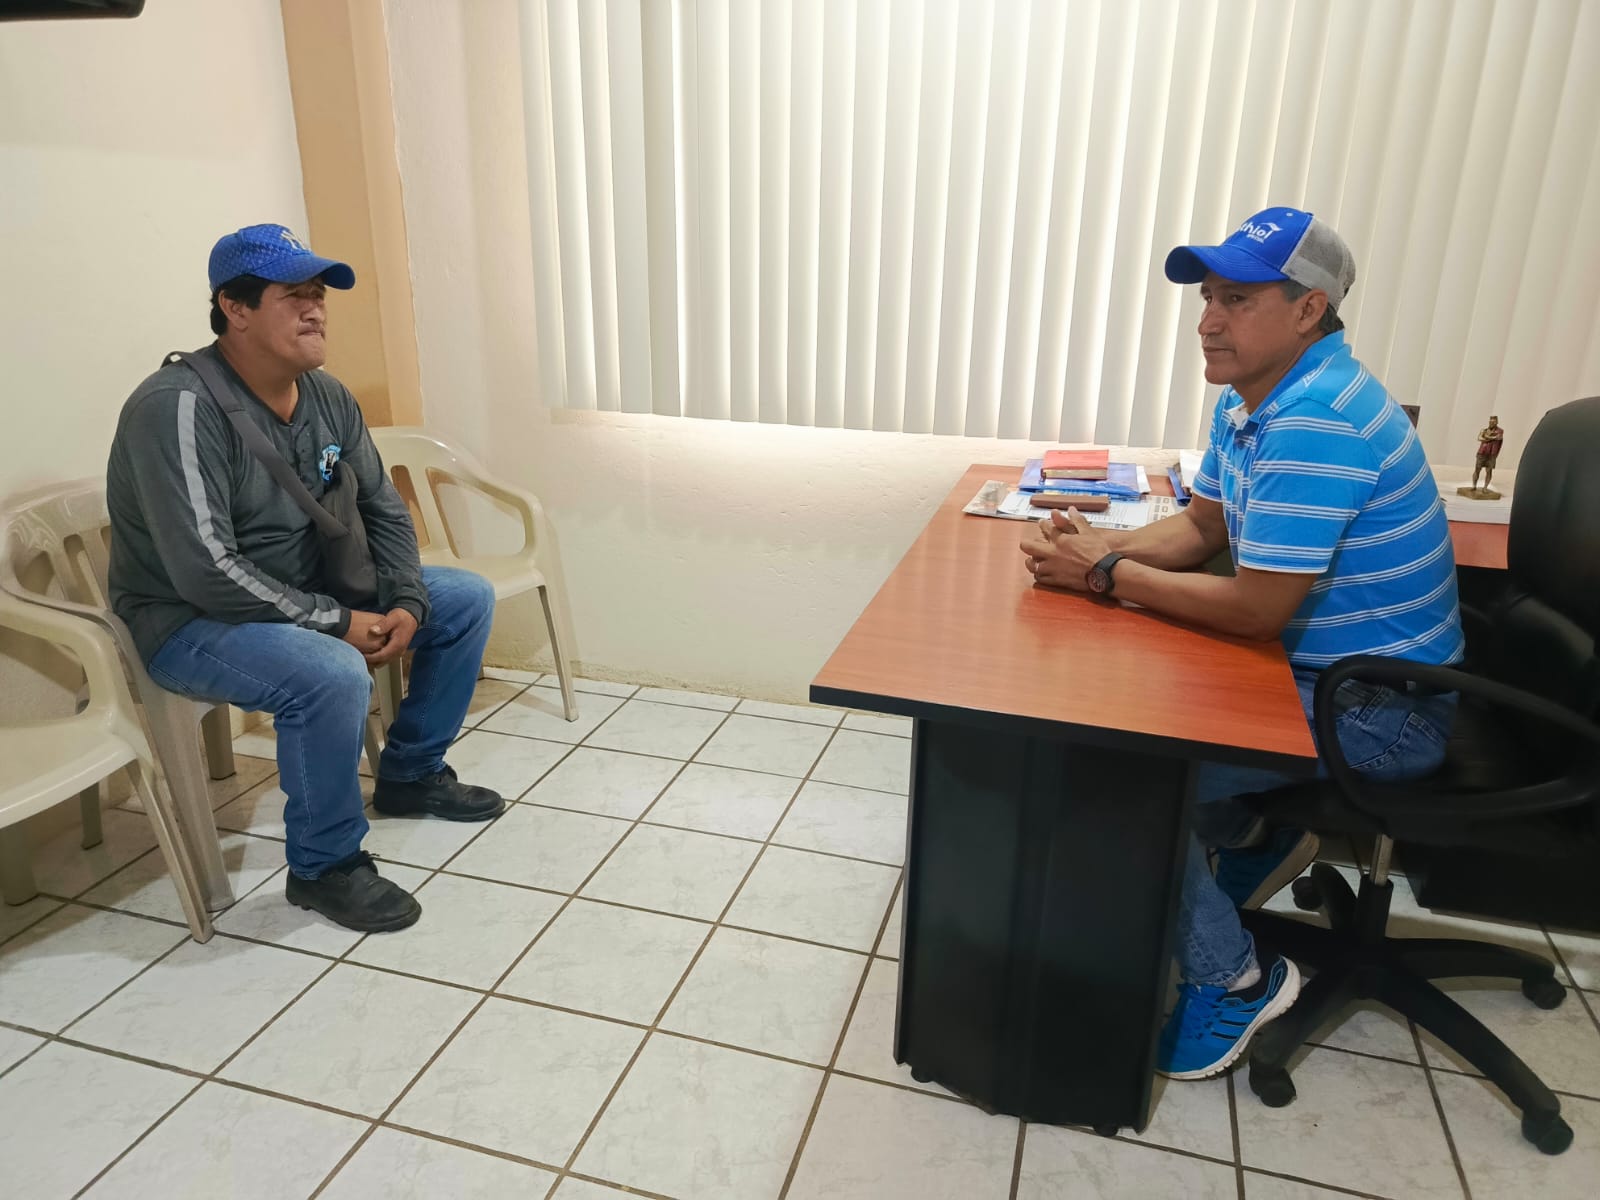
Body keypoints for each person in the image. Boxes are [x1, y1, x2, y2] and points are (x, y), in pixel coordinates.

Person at [1020, 206, 1462, 1080]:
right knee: (1123, 706)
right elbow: (1199, 529)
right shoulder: (1252, 398)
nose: (1208, 321)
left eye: (1238, 300)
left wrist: (1103, 573)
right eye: (1208, 297)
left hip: (1381, 711)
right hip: (1318, 675)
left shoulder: (1318, 419)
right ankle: (1252, 838)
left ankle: (1237, 978)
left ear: (1309, 310)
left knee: (1111, 777)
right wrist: (1099, 549)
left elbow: (1257, 608)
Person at [107, 224, 506, 933]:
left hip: (305, 591)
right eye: (294, 295)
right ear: (234, 307)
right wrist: (337, 623)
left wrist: (405, 598)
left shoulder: (327, 397)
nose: (316, 310)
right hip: (188, 621)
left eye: (319, 295)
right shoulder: (177, 407)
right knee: (330, 671)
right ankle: (324, 866)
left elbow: (382, 506)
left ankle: (411, 774)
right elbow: (205, 570)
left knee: (463, 599)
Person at [1472, 416, 1504, 491]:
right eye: (1490, 422)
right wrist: (1491, 437)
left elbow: (1498, 437)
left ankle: (1485, 487)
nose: (1491, 423)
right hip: (1482, 452)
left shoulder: (1500, 431)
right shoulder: (1484, 430)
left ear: (1496, 422)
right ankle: (1474, 486)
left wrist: (1486, 437)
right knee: (1477, 469)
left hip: (1492, 454)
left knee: (1489, 470)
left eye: (1493, 422)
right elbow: (1480, 438)